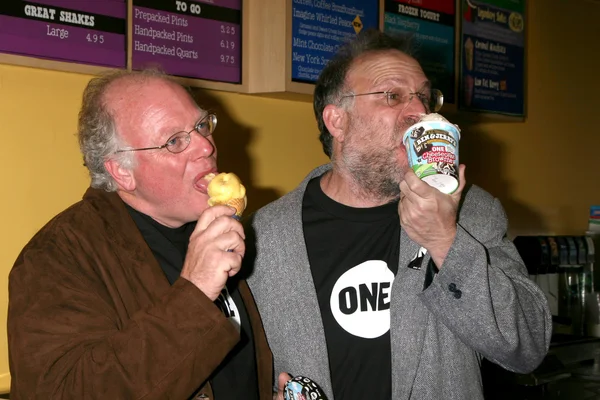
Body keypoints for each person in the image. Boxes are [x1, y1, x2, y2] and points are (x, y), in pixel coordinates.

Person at [245, 30, 552, 400]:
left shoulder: (471, 212)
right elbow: (241, 362)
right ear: (337, 121)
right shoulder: (266, 235)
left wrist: (445, 241)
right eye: (393, 96)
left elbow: (527, 347)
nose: (420, 112)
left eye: (424, 96)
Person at [8, 70, 273, 399]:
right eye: (175, 141)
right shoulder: (56, 256)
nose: (206, 146)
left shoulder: (215, 226)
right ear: (122, 171)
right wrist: (195, 291)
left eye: (202, 125)